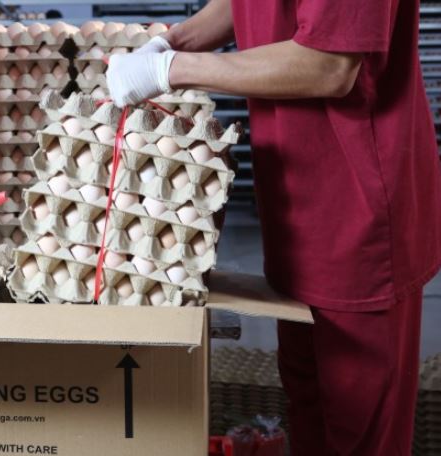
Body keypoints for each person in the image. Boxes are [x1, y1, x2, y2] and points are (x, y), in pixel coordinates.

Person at [107, 0, 441, 454]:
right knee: (307, 398)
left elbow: (329, 66)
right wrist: (170, 42)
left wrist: (172, 69)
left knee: (357, 419)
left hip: (358, 204)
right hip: (297, 198)